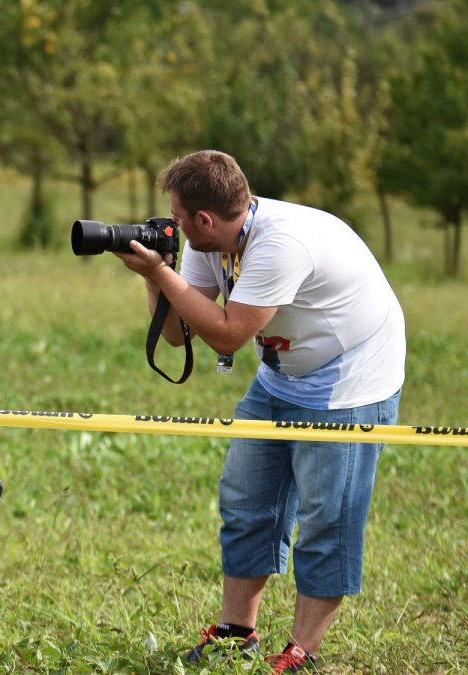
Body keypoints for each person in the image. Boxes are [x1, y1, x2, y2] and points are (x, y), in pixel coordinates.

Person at [113, 150, 405, 671]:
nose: (171, 226)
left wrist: (162, 269)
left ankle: (302, 651)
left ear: (204, 218)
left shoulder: (279, 245)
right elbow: (180, 336)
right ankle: (236, 631)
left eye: (177, 218)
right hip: (282, 372)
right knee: (246, 497)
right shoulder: (211, 239)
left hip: (351, 380)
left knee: (325, 516)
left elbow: (227, 331)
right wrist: (153, 277)